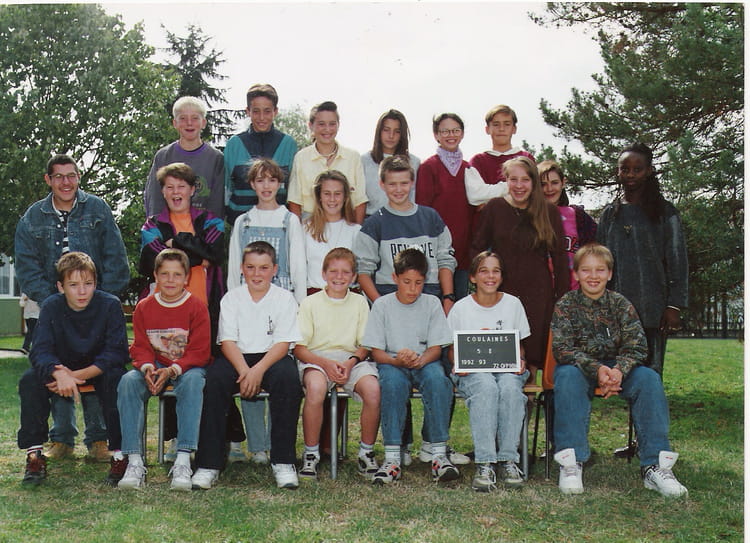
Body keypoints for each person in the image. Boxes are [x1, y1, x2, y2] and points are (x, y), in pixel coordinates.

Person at [14, 153, 129, 463]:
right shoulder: (33, 217)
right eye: (59, 176)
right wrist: (55, 301)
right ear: (48, 180)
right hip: (51, 307)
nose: (66, 182)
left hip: (94, 306)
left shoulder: (98, 209)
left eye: (71, 175)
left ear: (78, 177)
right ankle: (61, 439)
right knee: (52, 367)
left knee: (100, 369)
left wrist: (98, 301)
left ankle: (99, 439)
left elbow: (115, 257)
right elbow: (26, 266)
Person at [551, 244, 688, 498]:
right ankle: (571, 463)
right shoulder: (565, 305)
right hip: (581, 369)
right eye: (586, 270)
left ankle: (655, 466)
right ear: (576, 274)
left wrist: (618, 371)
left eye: (600, 270)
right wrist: (598, 369)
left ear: (610, 274)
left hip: (618, 370)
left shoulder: (621, 304)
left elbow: (637, 347)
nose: (593, 276)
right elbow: (562, 349)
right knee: (566, 376)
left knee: (649, 379)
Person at [191, 241, 303, 490]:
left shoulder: (285, 298)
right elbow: (227, 342)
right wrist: (245, 371)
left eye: (264, 268)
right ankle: (208, 464)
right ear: (242, 268)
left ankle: (283, 462)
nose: (256, 274)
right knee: (214, 380)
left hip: (271, 357)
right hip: (237, 357)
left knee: (288, 379)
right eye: (250, 267)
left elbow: (283, 344)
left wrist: (258, 371)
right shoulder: (232, 298)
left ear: (274, 269)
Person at [140, 162, 226, 461]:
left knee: (207, 374)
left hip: (206, 309)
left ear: (192, 190)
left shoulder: (211, 220)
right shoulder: (152, 224)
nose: (176, 192)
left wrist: (176, 242)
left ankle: (229, 437)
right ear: (162, 192)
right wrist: (198, 254)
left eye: (181, 186)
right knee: (173, 371)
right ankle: (176, 439)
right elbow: (151, 262)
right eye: (169, 187)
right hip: (167, 312)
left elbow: (216, 254)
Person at [17, 252, 128, 486]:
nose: (82, 291)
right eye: (74, 285)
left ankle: (120, 455)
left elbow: (116, 352)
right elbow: (40, 350)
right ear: (61, 286)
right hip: (61, 368)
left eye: (88, 284)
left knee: (117, 379)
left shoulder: (110, 305)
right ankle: (34, 455)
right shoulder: (51, 306)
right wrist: (58, 373)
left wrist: (75, 376)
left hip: (98, 369)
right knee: (30, 380)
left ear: (95, 283)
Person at [226, 158, 306, 463]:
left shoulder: (290, 221)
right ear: (252, 184)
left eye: (272, 180)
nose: (266, 186)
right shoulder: (243, 222)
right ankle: (257, 446)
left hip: (280, 306)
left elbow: (298, 266)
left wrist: (299, 306)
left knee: (279, 374)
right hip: (248, 307)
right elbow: (234, 268)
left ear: (280, 184)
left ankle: (276, 443)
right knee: (248, 373)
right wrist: (235, 303)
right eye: (260, 180)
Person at [362, 248, 457, 485]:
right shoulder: (382, 305)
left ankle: (439, 454)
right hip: (392, 362)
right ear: (395, 278)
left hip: (425, 360)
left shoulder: (432, 303)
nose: (413, 289)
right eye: (407, 282)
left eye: (418, 283)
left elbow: (436, 348)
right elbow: (376, 352)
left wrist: (420, 360)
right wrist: (397, 361)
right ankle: (392, 457)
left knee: (438, 381)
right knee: (392, 384)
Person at [118, 249, 211, 491]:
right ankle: (134, 461)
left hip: (187, 367)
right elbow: (140, 346)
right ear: (155, 276)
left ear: (186, 278)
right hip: (155, 364)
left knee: (193, 382)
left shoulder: (197, 307)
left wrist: (173, 370)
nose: (171, 280)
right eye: (165, 274)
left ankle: (183, 459)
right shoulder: (144, 307)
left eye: (177, 274)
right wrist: (147, 367)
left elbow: (200, 350)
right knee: (128, 381)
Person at [471, 156, 570, 379]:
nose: (519, 185)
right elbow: (477, 248)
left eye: (525, 180)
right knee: (504, 351)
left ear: (533, 182)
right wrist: (482, 282)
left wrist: (561, 299)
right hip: (501, 291)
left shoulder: (548, 211)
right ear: (505, 181)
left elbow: (560, 260)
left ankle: (530, 398)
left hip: (538, 293)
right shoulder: (495, 208)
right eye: (513, 179)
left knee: (532, 354)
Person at [596, 143, 688, 377]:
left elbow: (677, 261)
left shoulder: (665, 213)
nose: (630, 174)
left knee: (650, 376)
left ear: (648, 171)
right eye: (624, 169)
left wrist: (674, 305)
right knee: (621, 377)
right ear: (618, 172)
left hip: (653, 311)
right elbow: (599, 263)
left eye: (637, 169)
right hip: (616, 312)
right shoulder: (610, 214)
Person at [447, 251, 531, 492]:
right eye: (484, 270)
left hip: (506, 369)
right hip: (473, 372)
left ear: (502, 277)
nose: (490, 276)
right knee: (485, 387)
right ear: (473, 277)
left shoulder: (513, 304)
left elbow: (518, 345)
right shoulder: (461, 308)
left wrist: (521, 360)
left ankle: (508, 460)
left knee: (510, 388)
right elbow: (452, 349)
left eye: (496, 271)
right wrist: (458, 362)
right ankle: (485, 463)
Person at [295, 248, 379, 480]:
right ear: (323, 274)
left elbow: (366, 345)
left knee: (373, 390)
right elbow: (300, 348)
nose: (339, 277)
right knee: (316, 388)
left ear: (354, 277)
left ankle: (366, 453)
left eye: (345, 272)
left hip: (351, 360)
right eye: (333, 271)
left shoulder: (360, 302)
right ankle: (311, 454)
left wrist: (350, 363)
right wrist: (325, 364)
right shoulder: (310, 303)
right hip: (317, 359)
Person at [416, 113, 483, 300]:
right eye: (445, 131)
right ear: (436, 135)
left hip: (462, 255)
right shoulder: (429, 167)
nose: (450, 135)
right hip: (436, 256)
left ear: (462, 133)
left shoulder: (468, 169)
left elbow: (476, 210)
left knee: (458, 306)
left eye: (455, 130)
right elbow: (423, 211)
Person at [223, 83, 298, 222]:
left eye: (267, 111)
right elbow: (227, 188)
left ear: (275, 111)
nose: (262, 117)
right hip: (240, 224)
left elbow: (293, 190)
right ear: (248, 111)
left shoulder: (288, 144)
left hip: (279, 225)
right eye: (256, 111)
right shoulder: (234, 144)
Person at [143, 96, 225, 219]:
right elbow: (154, 198)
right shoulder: (163, 156)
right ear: (175, 123)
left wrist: (211, 227)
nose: (189, 123)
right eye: (183, 118)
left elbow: (218, 202)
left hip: (205, 227)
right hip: (168, 227)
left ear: (203, 123)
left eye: (195, 118)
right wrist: (159, 227)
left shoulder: (216, 158)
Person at [288, 101, 368, 223]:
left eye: (332, 124)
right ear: (311, 125)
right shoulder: (301, 158)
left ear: (338, 125)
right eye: (321, 124)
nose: (327, 129)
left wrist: (356, 230)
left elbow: (360, 201)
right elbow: (295, 201)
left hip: (345, 223)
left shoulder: (353, 157)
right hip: (310, 224)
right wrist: (299, 231)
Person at [538, 160, 597, 289]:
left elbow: (595, 255)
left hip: (574, 293)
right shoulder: (529, 218)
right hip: (540, 293)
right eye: (543, 184)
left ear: (563, 182)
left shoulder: (578, 216)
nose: (549, 189)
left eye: (554, 183)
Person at [303, 170, 361, 293]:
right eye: (327, 194)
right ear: (319, 196)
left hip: (347, 296)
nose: (332, 199)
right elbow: (299, 269)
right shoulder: (305, 229)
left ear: (345, 197)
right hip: (315, 294)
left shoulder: (356, 231)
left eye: (337, 194)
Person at [361, 109, 421, 217]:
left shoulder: (414, 162)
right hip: (372, 219)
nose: (391, 136)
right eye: (386, 130)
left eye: (397, 131)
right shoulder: (364, 161)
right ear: (379, 131)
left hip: (403, 220)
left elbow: (414, 198)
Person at [469, 105, 535, 186]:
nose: (501, 129)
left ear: (514, 129)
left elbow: (534, 188)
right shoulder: (478, 161)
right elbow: (476, 191)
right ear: (487, 129)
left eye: (507, 124)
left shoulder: (526, 158)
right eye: (496, 124)